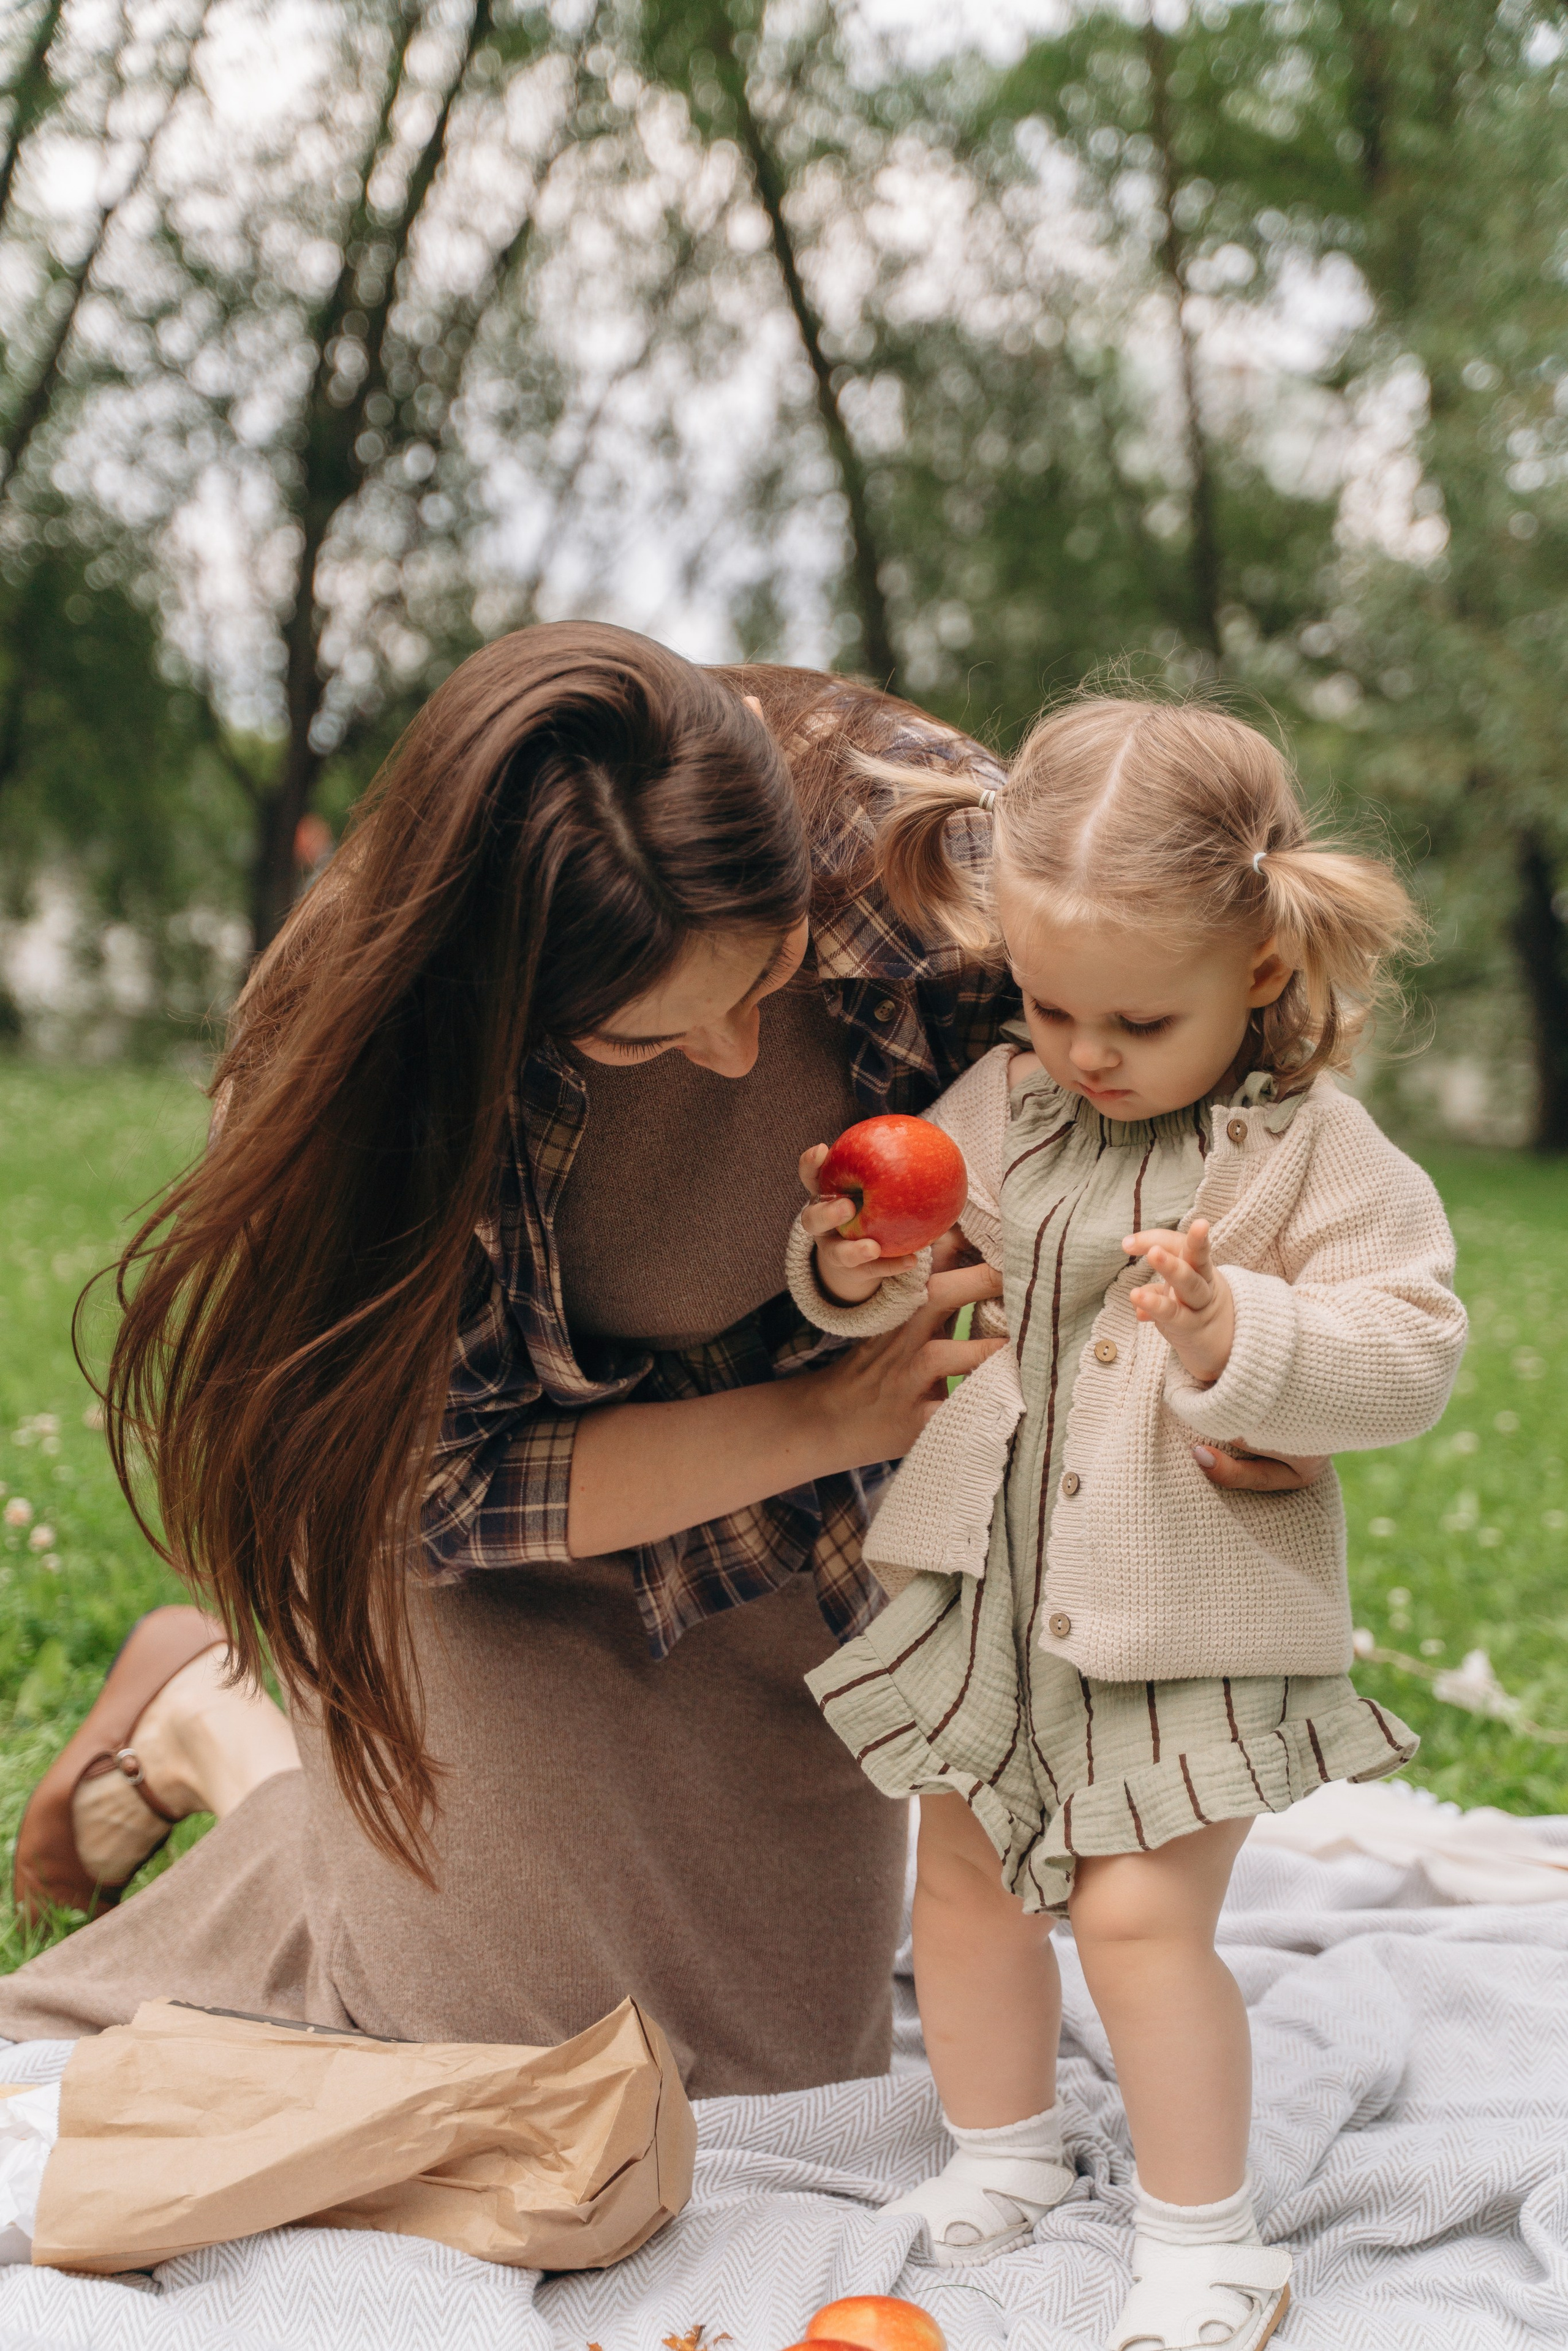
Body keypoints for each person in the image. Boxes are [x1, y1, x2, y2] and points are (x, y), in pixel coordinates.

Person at [2, 632, 1325, 2104]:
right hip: (511, 1564)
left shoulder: (942, 860)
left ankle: (237, 1730)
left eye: (763, 967)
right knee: (509, 2062)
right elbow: (432, 1485)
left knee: (766, 2080)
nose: (732, 1048)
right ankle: (225, 1713)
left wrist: (1263, 1367)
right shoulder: (371, 1068)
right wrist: (817, 1409)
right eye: (645, 1031)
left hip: (799, 1550)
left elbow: (1235, 1053)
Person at [788, 697, 1466, 2349]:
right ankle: (1006, 2149)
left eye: (1136, 1017)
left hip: (1185, 1609)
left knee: (1137, 1912)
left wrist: (1247, 1341)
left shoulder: (1309, 1152)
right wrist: (852, 1261)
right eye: (1048, 1000)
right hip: (996, 1595)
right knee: (955, 1878)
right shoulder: (1007, 1101)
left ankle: (1204, 2231)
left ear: (1256, 967)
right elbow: (894, 1249)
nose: (1084, 1050)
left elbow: (1413, 1347)